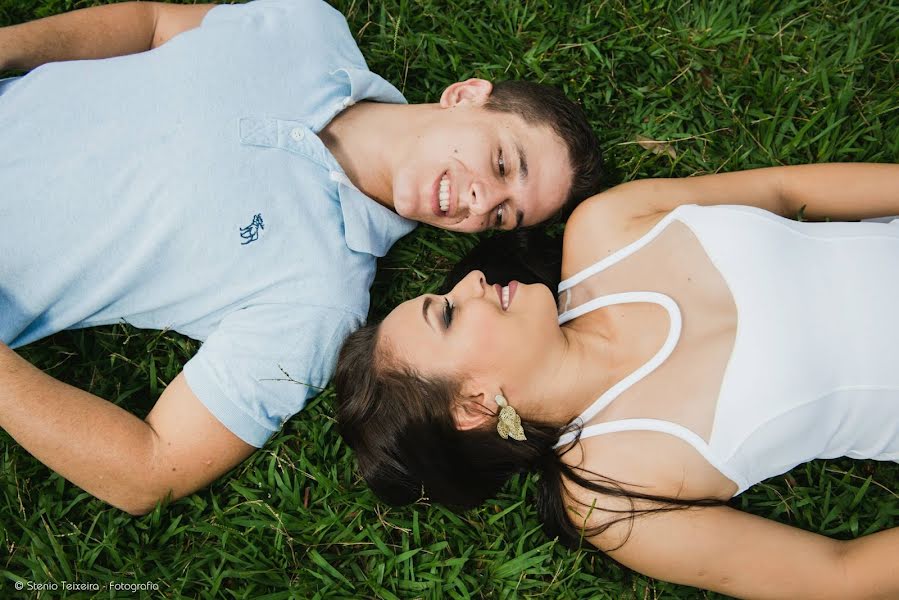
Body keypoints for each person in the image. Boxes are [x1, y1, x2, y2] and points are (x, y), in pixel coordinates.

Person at [0, 0, 603, 515]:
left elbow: (153, 467)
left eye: (501, 214)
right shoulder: (310, 26)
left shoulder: (319, 301)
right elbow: (154, 23)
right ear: (467, 96)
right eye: (502, 163)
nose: (480, 200)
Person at [335, 163, 899, 598]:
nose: (473, 279)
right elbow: (838, 576)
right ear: (475, 406)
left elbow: (781, 189)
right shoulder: (610, 499)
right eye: (450, 313)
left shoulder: (607, 226)